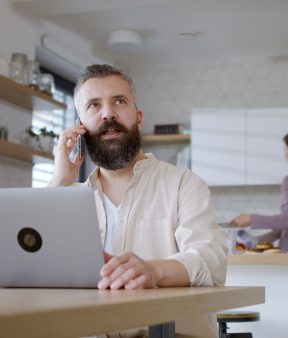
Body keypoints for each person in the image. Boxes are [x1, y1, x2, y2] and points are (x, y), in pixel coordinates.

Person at [48, 64, 228, 337]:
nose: (108, 112)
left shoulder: (185, 184)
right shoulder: (66, 198)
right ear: (80, 126)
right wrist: (60, 181)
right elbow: (34, 263)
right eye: (94, 105)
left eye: (118, 101)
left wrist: (154, 271)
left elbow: (211, 262)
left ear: (138, 118)